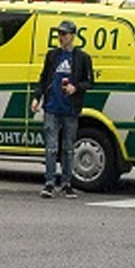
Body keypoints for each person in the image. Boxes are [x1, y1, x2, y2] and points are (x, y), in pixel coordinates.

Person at [36, 19, 95, 198]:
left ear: (72, 36)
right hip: (52, 107)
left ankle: (67, 182)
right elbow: (44, 77)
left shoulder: (82, 57)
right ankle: (49, 183)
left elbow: (90, 82)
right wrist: (37, 97)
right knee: (51, 147)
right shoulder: (52, 56)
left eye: (64, 34)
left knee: (68, 148)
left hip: (70, 108)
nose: (61, 38)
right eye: (59, 34)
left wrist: (75, 87)